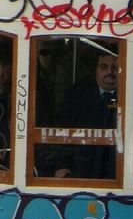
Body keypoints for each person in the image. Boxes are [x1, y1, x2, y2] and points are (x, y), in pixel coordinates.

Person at [48, 43, 120, 180]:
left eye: (115, 68)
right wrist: (61, 166)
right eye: (104, 67)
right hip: (79, 172)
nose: (109, 73)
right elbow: (61, 132)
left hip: (117, 175)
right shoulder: (76, 95)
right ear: (96, 69)